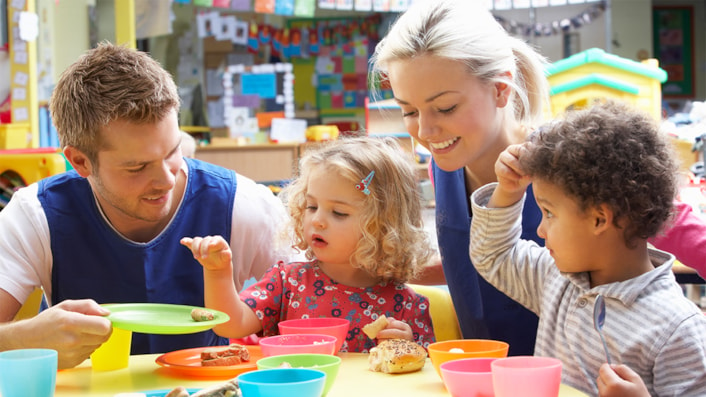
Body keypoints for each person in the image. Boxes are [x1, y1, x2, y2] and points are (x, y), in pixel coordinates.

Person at [370, 0, 706, 356]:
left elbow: (684, 231)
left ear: (501, 89)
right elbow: (477, 263)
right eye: (407, 110)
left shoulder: (574, 162)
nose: (425, 130)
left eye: (446, 107)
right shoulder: (446, 163)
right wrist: (380, 265)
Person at [0, 42, 288, 369]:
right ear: (80, 162)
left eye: (172, 153)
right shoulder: (35, 215)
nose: (166, 179)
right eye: (137, 167)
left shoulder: (243, 204)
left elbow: (314, 312)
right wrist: (23, 340)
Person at [469, 101, 706, 396]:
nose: (540, 229)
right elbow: (493, 255)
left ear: (599, 219)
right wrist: (507, 191)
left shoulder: (677, 327)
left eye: (549, 212)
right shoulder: (558, 279)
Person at [181, 137, 436, 352]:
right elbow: (230, 325)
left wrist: (408, 345)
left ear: (385, 227)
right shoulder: (286, 282)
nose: (317, 220)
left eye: (338, 213)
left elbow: (423, 377)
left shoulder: (408, 306)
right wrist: (217, 273)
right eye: (311, 206)